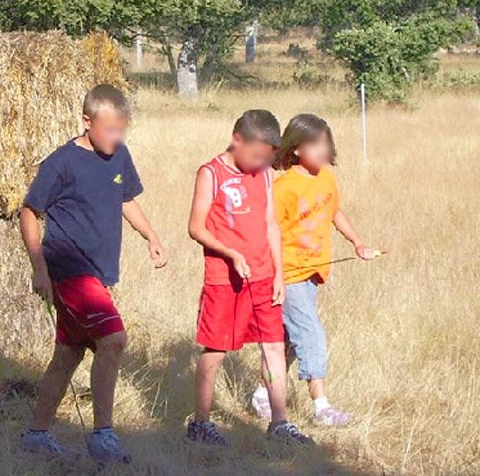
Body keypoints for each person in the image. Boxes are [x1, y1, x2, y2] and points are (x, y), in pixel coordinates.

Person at [19, 84, 167, 463]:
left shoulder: (119, 156)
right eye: (110, 130)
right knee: (114, 340)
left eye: (122, 131)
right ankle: (103, 436)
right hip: (70, 272)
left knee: (68, 354)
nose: (117, 138)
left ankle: (35, 435)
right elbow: (29, 212)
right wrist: (40, 270)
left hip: (100, 276)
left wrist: (150, 236)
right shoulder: (61, 163)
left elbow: (126, 200)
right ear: (87, 122)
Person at [186, 109, 312, 447]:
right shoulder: (210, 173)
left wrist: (279, 274)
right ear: (237, 140)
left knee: (273, 345)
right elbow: (196, 227)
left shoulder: (264, 175)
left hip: (264, 276)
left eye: (265, 158)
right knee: (217, 348)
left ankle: (279, 422)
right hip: (225, 280)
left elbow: (271, 224)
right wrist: (232, 254)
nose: (260, 163)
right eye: (256, 156)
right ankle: (201, 423)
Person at [250, 113, 379, 427]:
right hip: (287, 274)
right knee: (310, 334)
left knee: (286, 341)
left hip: (313, 274)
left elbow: (335, 212)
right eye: (315, 144)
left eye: (326, 143)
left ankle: (262, 394)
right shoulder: (284, 188)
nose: (323, 150)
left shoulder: (326, 179)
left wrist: (357, 242)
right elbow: (267, 231)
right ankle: (322, 407)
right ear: (295, 148)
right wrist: (270, 274)